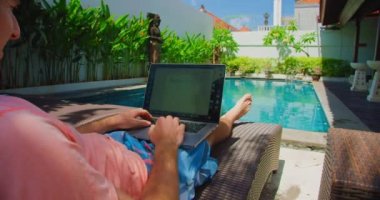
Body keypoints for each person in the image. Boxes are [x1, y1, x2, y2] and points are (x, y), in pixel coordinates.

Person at [0, 0, 253, 199]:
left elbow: (59, 136)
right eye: (10, 7)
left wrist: (111, 122)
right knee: (201, 137)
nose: (16, 30)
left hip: (119, 141)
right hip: (148, 169)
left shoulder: (9, 112)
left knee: (180, 128)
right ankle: (230, 117)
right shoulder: (15, 138)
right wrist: (166, 146)